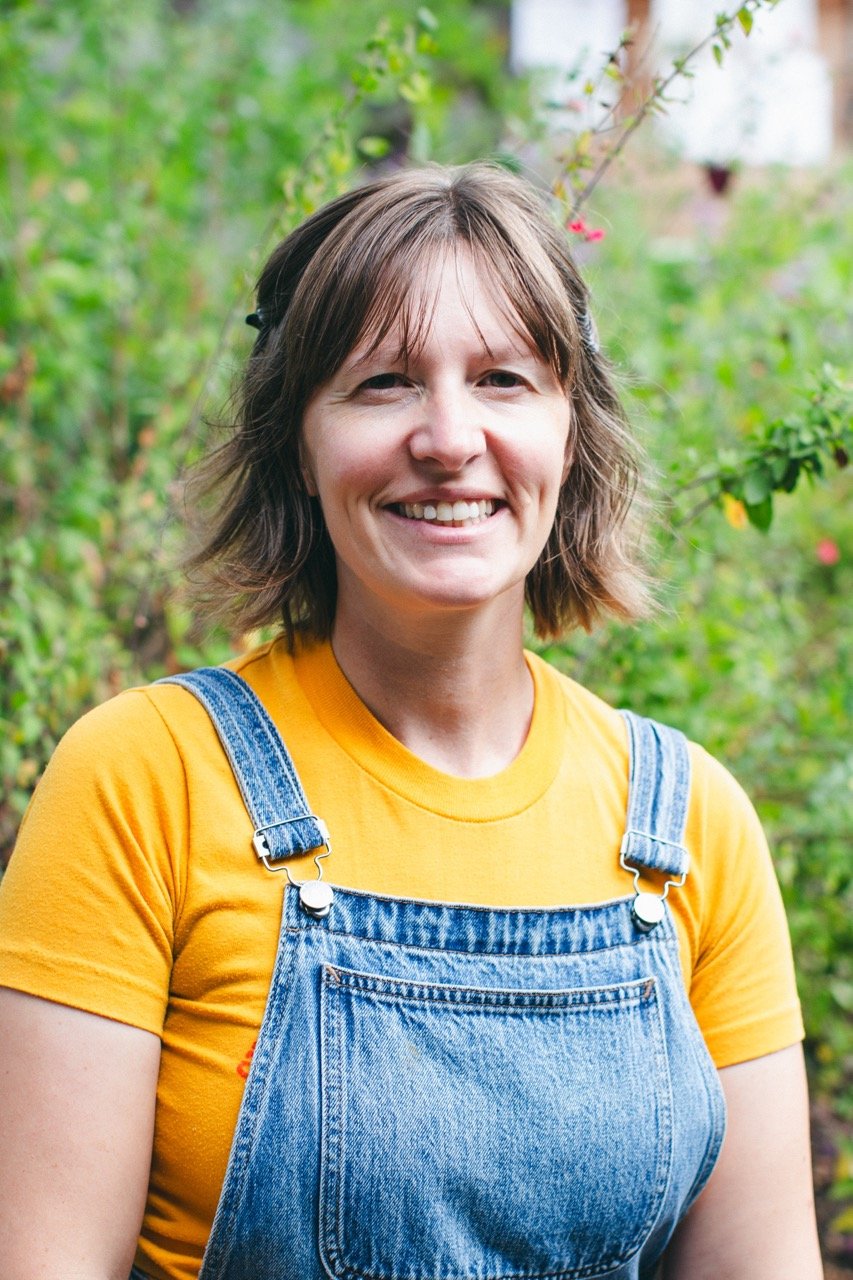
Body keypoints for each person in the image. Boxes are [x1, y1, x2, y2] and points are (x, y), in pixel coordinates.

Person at [0, 163, 822, 1280]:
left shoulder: (687, 826)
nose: (447, 437)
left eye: (502, 379)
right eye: (382, 382)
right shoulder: (146, 780)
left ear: (569, 434)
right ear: (298, 442)